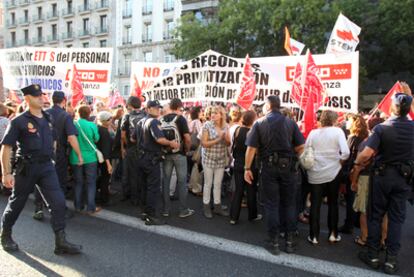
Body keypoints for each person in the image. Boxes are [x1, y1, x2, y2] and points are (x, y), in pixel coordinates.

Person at [0, 84, 82, 255]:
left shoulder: (48, 118)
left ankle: (61, 242)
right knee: (17, 203)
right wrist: (6, 173)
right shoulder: (18, 121)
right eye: (37, 96)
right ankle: (5, 235)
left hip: (46, 167)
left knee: (58, 202)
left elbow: (53, 139)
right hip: (27, 168)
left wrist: (51, 156)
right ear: (28, 98)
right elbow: (6, 148)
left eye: (42, 95)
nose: (41, 98)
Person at [353, 92, 414, 274]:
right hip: (404, 178)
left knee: (375, 215)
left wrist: (356, 165)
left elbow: (366, 154)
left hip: (382, 176)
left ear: (392, 107)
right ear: (408, 109)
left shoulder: (382, 128)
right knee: (396, 218)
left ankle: (372, 255)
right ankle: (391, 261)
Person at [245, 95, 305, 255]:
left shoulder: (259, 122)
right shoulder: (290, 123)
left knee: (272, 204)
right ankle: (290, 241)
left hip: (269, 167)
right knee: (289, 203)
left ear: (268, 105)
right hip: (290, 168)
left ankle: (274, 242)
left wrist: (247, 168)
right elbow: (301, 147)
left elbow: (251, 148)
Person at [33, 91, 83, 221]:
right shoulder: (65, 116)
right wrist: (79, 155)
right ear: (64, 100)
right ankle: (60, 210)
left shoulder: (43, 113)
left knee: (40, 180)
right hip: (58, 154)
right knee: (59, 182)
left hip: (41, 152)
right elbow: (72, 137)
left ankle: (38, 208)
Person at [305, 111, 350, 245]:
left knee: (315, 204)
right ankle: (333, 234)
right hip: (334, 172)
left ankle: (314, 236)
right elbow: (346, 152)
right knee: (333, 203)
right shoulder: (338, 132)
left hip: (315, 172)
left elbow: (307, 151)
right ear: (334, 120)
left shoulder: (313, 133)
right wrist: (340, 162)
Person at [133, 100, 179, 225]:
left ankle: (144, 212)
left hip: (141, 157)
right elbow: (159, 139)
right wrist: (171, 143)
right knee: (153, 188)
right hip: (150, 158)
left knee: (144, 186)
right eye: (155, 108)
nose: (158, 110)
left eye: (158, 108)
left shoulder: (140, 121)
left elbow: (133, 138)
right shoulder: (153, 121)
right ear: (148, 109)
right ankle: (151, 216)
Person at [161, 98, 194, 218]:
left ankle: (165, 209)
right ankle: (183, 210)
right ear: (180, 106)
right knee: (182, 182)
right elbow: (188, 138)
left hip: (166, 153)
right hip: (179, 154)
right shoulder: (181, 119)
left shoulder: (162, 119)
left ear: (170, 106)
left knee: (166, 181)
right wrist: (187, 149)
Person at [229, 110, 261, 224]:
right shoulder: (253, 133)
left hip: (237, 163)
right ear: (253, 120)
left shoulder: (237, 130)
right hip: (250, 166)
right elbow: (255, 151)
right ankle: (252, 215)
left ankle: (233, 217)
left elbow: (233, 145)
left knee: (238, 190)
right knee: (251, 190)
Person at [338, 114, 369, 234]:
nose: (347, 123)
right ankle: (356, 222)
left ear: (355, 123)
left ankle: (348, 224)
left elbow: (346, 156)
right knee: (357, 198)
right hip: (361, 172)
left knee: (350, 198)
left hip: (352, 171)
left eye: (349, 121)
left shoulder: (353, 138)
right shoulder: (365, 137)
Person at [70, 105, 101, 214]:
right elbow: (96, 139)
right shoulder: (92, 125)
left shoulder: (73, 124)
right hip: (90, 158)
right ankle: (91, 207)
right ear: (89, 114)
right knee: (91, 182)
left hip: (75, 157)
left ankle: (78, 206)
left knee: (78, 182)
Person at [201, 105, 230, 219]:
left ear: (221, 115)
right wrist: (218, 139)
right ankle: (206, 206)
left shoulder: (226, 126)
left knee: (217, 184)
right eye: (212, 112)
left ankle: (217, 206)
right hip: (208, 158)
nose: (213, 114)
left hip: (221, 159)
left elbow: (228, 144)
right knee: (208, 184)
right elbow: (204, 143)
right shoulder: (207, 125)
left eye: (216, 113)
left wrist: (226, 138)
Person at [120, 96, 146, 204]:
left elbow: (122, 135)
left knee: (131, 172)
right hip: (144, 148)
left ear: (130, 105)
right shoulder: (145, 114)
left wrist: (127, 145)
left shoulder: (127, 116)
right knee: (142, 172)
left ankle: (131, 196)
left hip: (132, 147)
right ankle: (141, 196)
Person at [96, 111, 114, 206]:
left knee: (101, 177)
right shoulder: (105, 132)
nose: (112, 120)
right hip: (104, 158)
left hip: (98, 157)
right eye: (110, 119)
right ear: (106, 121)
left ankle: (99, 195)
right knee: (105, 178)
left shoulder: (98, 129)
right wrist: (109, 164)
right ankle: (104, 199)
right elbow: (106, 149)